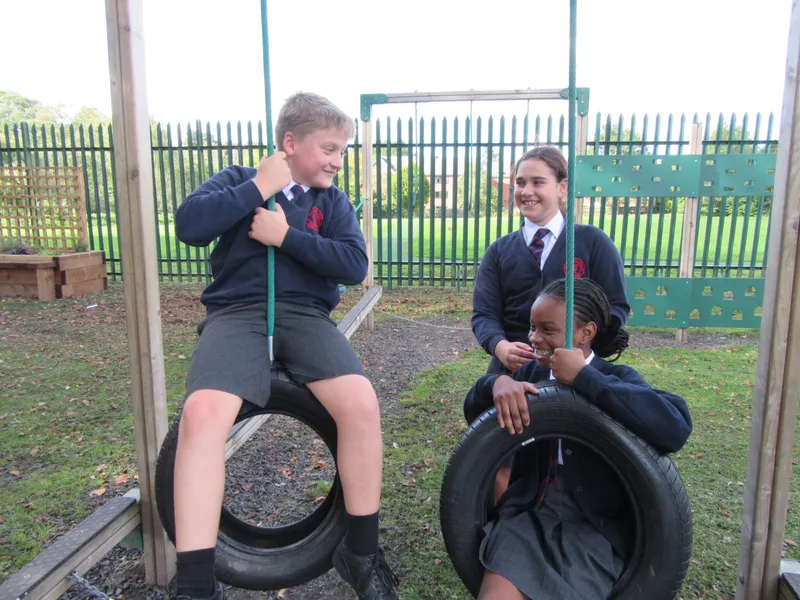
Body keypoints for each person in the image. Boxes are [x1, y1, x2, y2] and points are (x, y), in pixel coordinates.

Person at [172, 92, 398, 600]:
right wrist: (258, 188)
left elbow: (353, 265)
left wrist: (286, 237)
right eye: (329, 149)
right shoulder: (239, 180)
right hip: (237, 313)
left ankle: (361, 553)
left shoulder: (331, 202)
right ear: (290, 143)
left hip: (305, 316)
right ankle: (195, 583)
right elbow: (189, 225)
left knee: (361, 404)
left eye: (342, 151)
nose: (337, 161)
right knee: (203, 415)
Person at [463, 277, 692, 600]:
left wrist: (586, 378)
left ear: (586, 332)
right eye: (532, 327)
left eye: (548, 329)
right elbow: (475, 417)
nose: (534, 337)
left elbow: (675, 426)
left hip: (594, 526)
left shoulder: (614, 379)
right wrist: (496, 383)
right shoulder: (529, 377)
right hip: (530, 515)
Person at [471, 146, 630, 375]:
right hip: (513, 371)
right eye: (520, 183)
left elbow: (616, 306)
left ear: (562, 188)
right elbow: (484, 315)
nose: (527, 191)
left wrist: (585, 350)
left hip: (577, 372)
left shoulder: (593, 243)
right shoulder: (499, 251)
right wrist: (500, 346)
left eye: (538, 182)